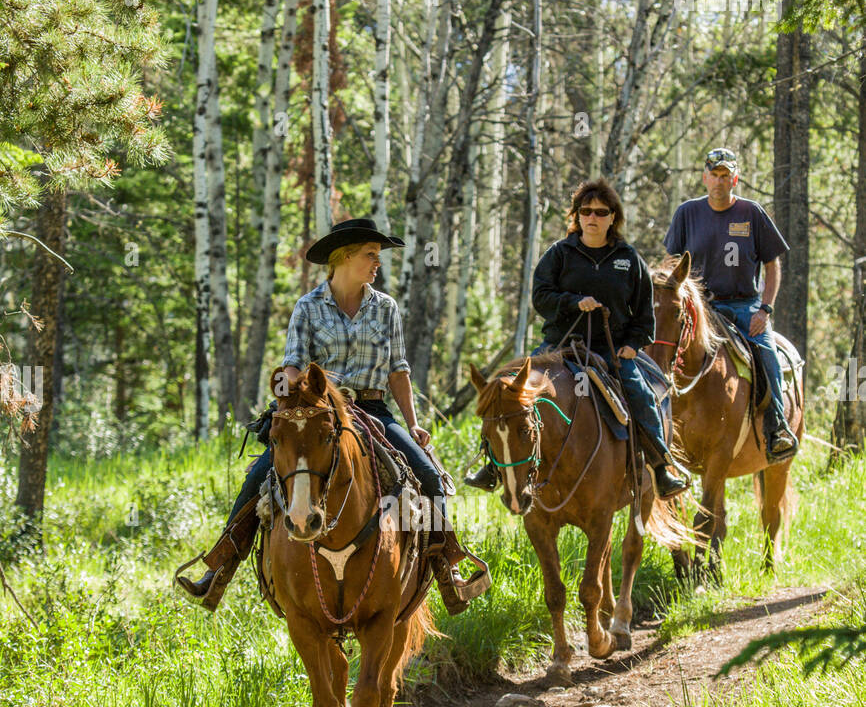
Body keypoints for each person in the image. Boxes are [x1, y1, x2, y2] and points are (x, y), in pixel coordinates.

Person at [177, 216, 483, 614]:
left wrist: (412, 422)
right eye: (371, 255)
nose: (377, 263)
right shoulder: (307, 307)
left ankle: (447, 568)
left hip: (372, 409)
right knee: (258, 477)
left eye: (378, 256)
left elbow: (398, 370)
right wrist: (288, 394)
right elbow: (292, 363)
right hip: (320, 412)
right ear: (344, 257)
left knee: (427, 475)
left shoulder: (386, 308)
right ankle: (219, 570)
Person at [465, 179, 689, 499]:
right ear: (577, 216)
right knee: (507, 388)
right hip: (560, 347)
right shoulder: (559, 254)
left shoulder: (628, 258)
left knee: (641, 395)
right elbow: (541, 296)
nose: (593, 218)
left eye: (601, 212)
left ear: (613, 217)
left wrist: (633, 344)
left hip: (611, 350)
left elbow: (644, 313)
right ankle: (490, 465)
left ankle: (661, 466)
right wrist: (572, 302)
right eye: (586, 211)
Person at [663, 147, 798, 462]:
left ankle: (776, 428)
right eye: (714, 175)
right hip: (700, 308)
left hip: (744, 306)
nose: (720, 182)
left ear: (735, 178)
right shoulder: (687, 213)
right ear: (704, 177)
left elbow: (773, 266)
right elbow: (671, 261)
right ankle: (655, 430)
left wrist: (765, 309)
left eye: (726, 176)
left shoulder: (752, 212)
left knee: (767, 357)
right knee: (662, 349)